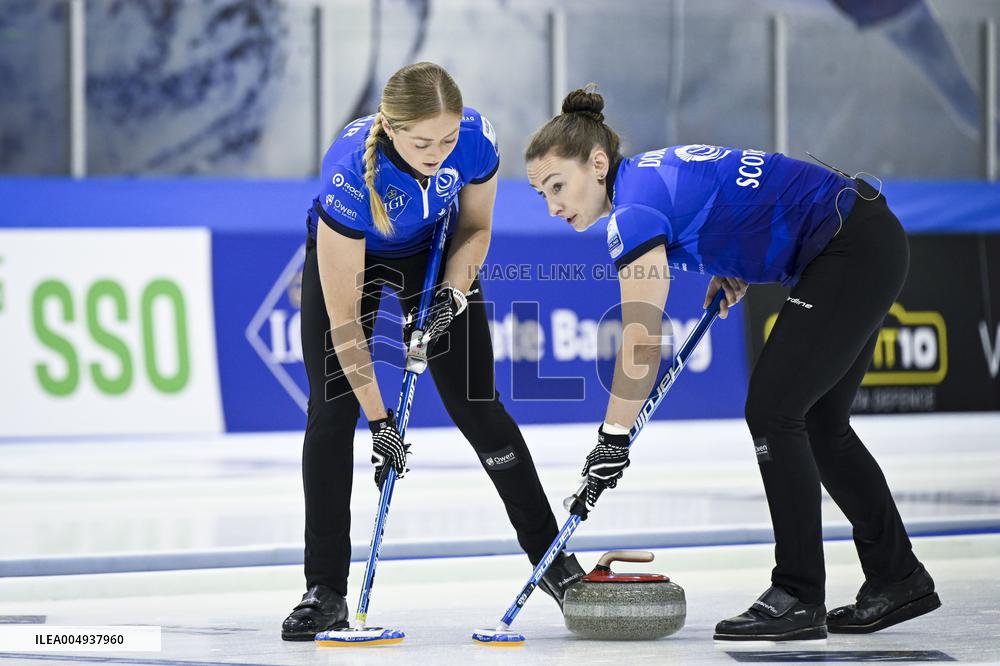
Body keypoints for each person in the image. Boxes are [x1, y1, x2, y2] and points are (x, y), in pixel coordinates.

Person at [524, 85, 940, 642]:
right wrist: (733, 258)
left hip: (847, 246)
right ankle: (898, 577)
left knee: (773, 411)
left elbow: (642, 338)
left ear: (597, 165)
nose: (552, 207)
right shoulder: (646, 176)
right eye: (541, 195)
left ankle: (798, 594)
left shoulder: (633, 210)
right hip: (865, 237)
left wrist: (612, 438)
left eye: (557, 186)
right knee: (821, 423)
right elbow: (736, 195)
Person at [281, 62, 583, 641]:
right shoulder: (349, 171)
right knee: (332, 410)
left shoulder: (475, 139)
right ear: (391, 128)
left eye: (446, 141)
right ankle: (325, 589)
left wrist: (452, 294)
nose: (438, 154)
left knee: (477, 403)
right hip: (352, 255)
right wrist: (382, 422)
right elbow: (345, 323)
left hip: (433, 257)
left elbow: (475, 228)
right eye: (423, 144)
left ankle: (553, 561)